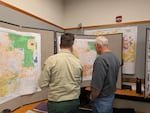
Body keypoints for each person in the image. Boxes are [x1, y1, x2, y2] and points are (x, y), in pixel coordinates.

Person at [38, 33, 82, 113]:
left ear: (60, 44)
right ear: (72, 45)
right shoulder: (77, 61)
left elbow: (42, 84)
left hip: (56, 104)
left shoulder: (51, 60)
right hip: (74, 102)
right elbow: (79, 82)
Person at [90, 36, 120, 113]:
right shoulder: (115, 57)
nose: (95, 49)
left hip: (101, 99)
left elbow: (97, 85)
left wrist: (92, 97)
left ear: (98, 46)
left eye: (95, 46)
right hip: (110, 96)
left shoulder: (100, 60)